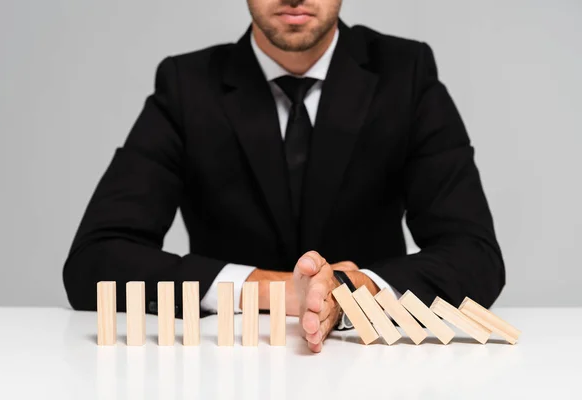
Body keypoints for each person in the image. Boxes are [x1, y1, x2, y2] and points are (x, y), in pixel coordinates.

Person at [63, 0, 505, 353]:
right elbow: (94, 262)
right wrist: (271, 292)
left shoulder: (405, 73)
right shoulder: (186, 85)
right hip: (225, 364)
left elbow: (476, 256)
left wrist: (352, 290)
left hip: (368, 361)